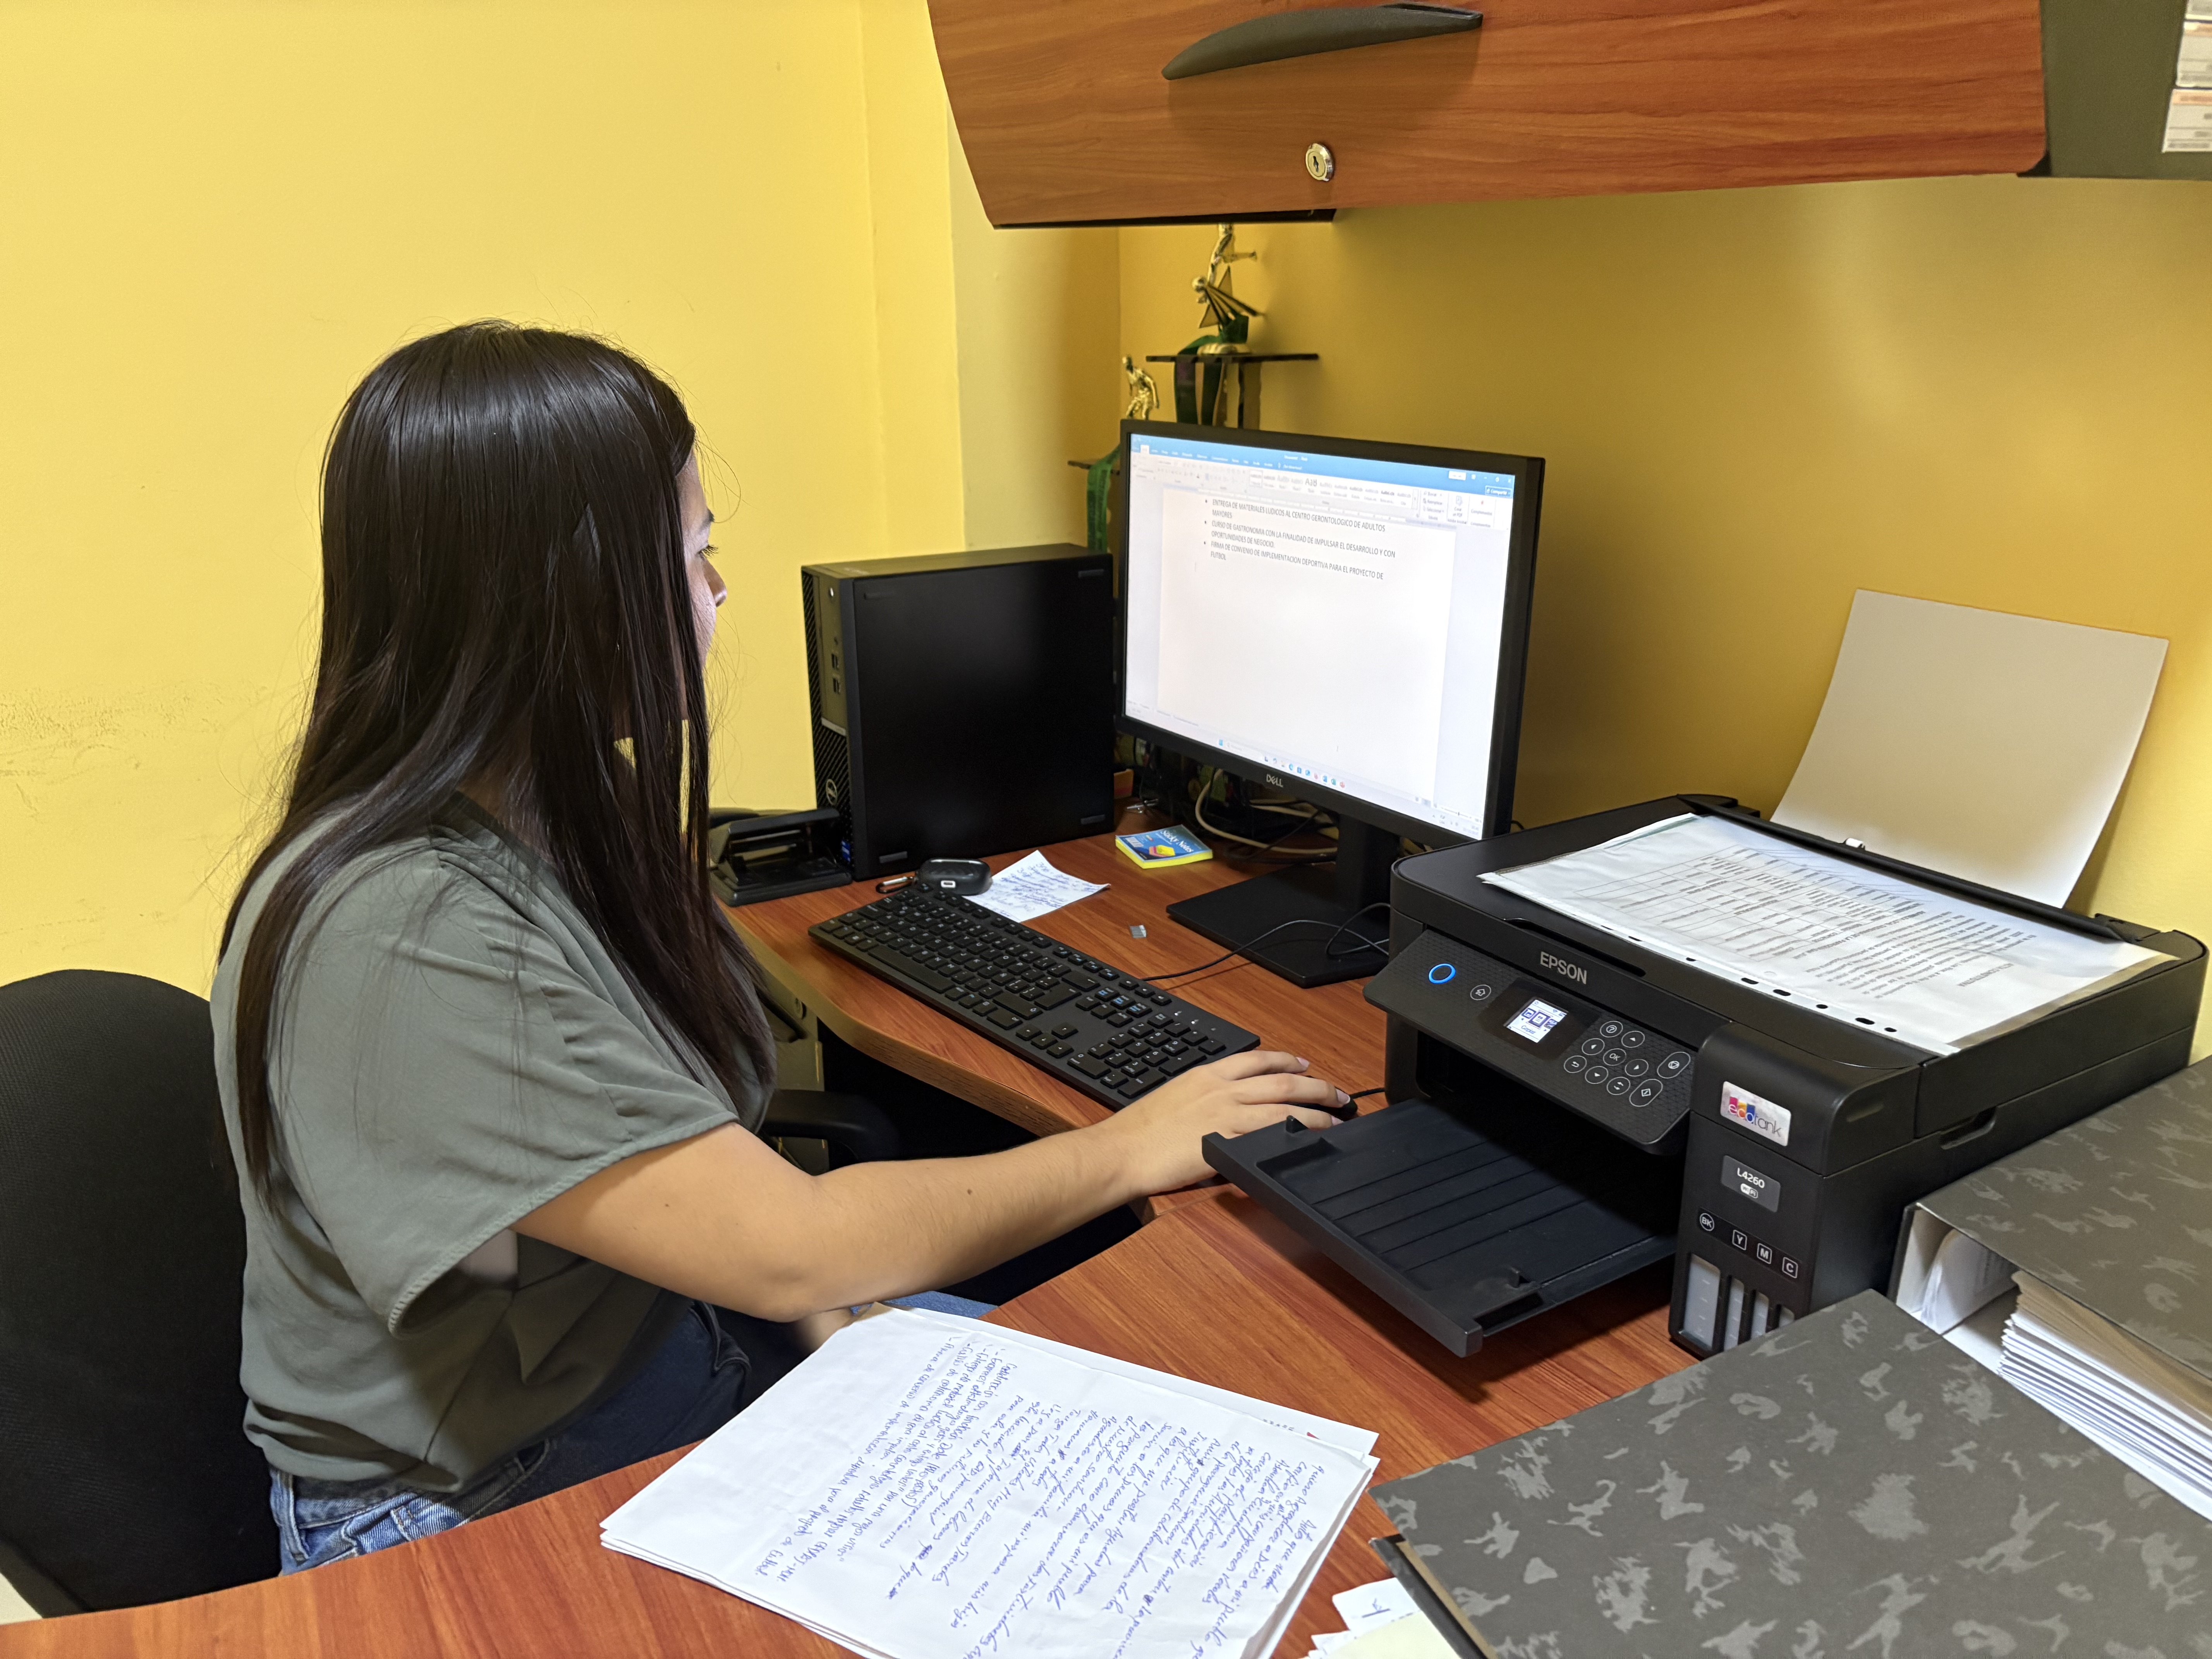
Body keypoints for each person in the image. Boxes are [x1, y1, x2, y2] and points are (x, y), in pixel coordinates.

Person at [212, 321, 1348, 1574]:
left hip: (661, 1350)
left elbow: (694, 1198)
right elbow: (783, 1240)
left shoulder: (549, 799)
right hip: (473, 1494)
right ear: (561, 604)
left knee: (1187, 1440)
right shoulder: (404, 935)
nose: (718, 591)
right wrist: (1130, 1146)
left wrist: (826, 1315)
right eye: (693, 556)